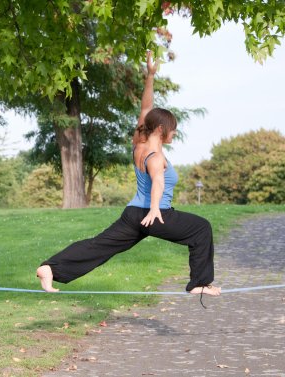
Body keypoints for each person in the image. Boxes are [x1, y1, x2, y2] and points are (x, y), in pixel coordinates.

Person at [36, 51, 221, 297]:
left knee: (100, 246)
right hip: (153, 214)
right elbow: (157, 181)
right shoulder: (156, 157)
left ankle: (50, 267)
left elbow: (146, 106)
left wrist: (150, 76)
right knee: (201, 229)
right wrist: (155, 209)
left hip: (134, 215)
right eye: (173, 131)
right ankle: (199, 282)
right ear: (161, 129)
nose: (174, 134)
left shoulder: (139, 141)